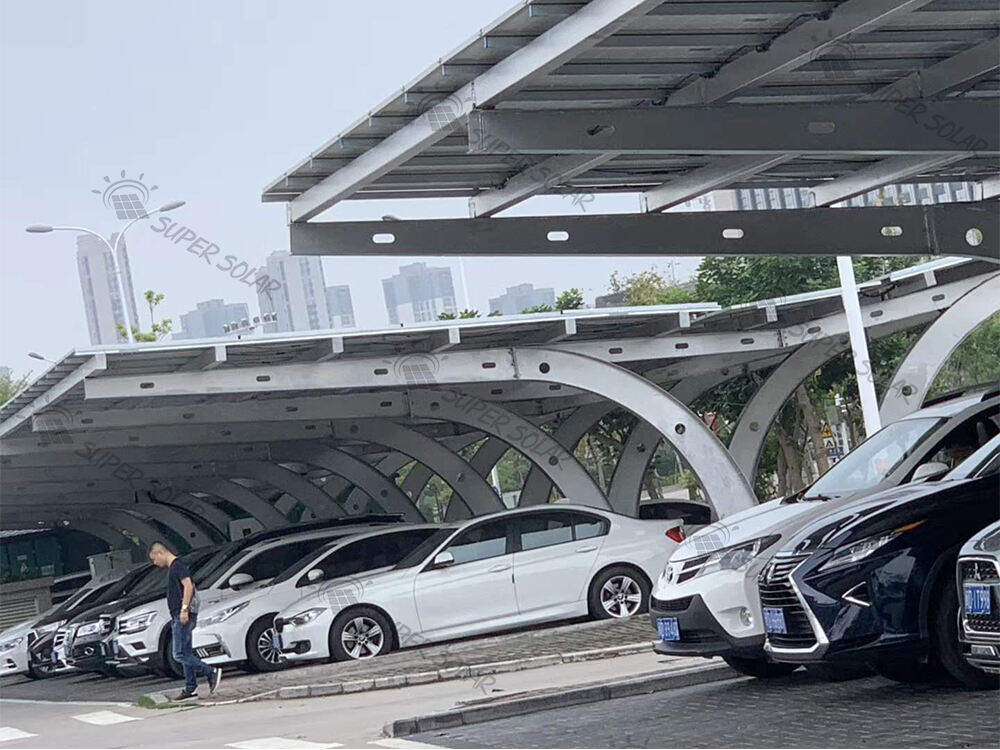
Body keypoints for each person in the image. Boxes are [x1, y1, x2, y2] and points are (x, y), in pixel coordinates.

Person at [148, 541, 222, 700]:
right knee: (186, 652)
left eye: (154, 559)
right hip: (181, 613)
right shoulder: (176, 566)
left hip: (182, 614)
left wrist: (184, 609)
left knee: (179, 654)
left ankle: (211, 671)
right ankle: (190, 688)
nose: (155, 563)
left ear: (161, 553)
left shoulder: (177, 565)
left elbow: (188, 586)